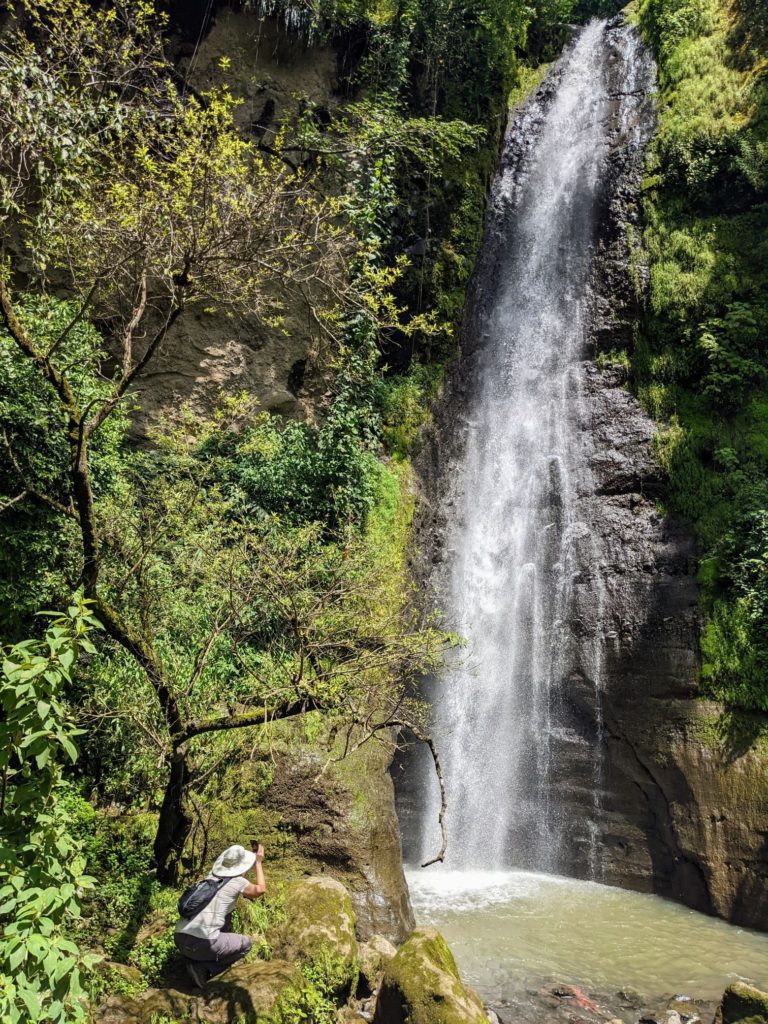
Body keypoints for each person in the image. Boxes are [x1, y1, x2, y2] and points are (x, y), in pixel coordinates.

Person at [174, 841, 266, 988]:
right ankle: (205, 968)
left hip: (179, 938)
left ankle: (195, 961)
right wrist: (258, 863)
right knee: (246, 944)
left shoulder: (210, 877)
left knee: (226, 918)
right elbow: (260, 890)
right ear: (242, 865)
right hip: (203, 944)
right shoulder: (238, 882)